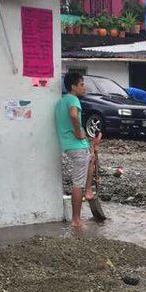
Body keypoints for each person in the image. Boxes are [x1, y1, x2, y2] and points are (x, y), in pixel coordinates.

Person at [55, 71, 97, 228]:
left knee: (91, 160)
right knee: (77, 183)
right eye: (81, 84)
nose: (84, 87)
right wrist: (79, 133)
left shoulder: (61, 101)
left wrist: (82, 132)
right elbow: (73, 116)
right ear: (73, 87)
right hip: (76, 146)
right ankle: (76, 219)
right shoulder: (73, 99)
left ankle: (88, 190)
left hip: (69, 145)